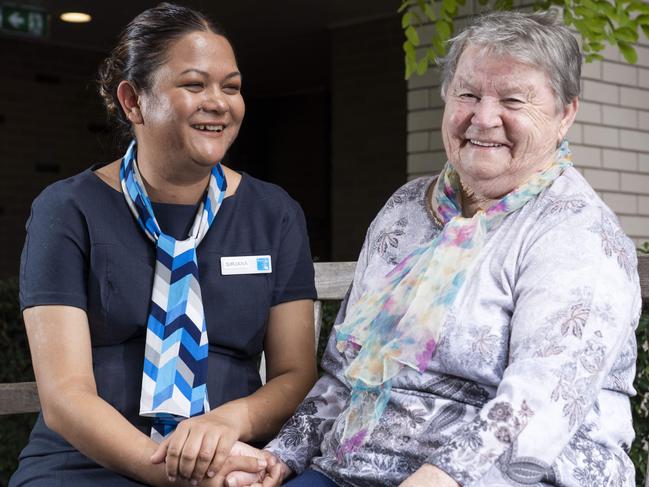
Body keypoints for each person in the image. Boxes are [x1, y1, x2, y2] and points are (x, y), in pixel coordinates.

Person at [227, 10, 641, 487]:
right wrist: (280, 457)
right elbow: (345, 373)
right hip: (353, 468)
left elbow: (541, 398)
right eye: (468, 94)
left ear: (565, 113)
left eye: (512, 99)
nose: (483, 118)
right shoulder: (406, 208)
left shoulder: (576, 232)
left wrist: (442, 476)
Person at [10, 3, 318, 486]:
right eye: (194, 85)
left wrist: (226, 425)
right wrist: (177, 476)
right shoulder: (66, 209)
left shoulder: (274, 213)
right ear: (133, 102)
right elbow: (65, 395)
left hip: (236, 461)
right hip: (86, 466)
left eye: (231, 87)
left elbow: (295, 373)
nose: (218, 101)